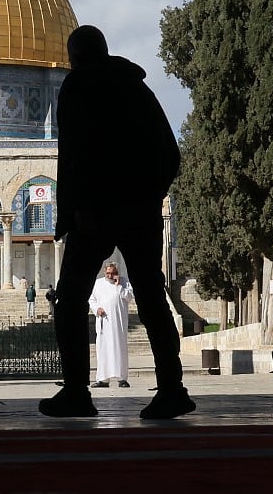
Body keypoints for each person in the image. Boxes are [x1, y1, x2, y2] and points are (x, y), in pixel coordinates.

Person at [39, 25, 193, 420]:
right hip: (138, 210)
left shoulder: (77, 87)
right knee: (152, 297)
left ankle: (76, 391)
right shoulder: (137, 88)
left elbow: (70, 157)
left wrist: (70, 214)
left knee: (70, 299)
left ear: (74, 58)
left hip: (95, 210)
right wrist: (149, 195)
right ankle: (172, 389)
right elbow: (170, 152)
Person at [87, 262, 134, 388]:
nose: (110, 275)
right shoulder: (98, 283)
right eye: (108, 273)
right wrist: (97, 309)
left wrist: (119, 286)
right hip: (104, 322)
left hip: (118, 323)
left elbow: (129, 297)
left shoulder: (124, 282)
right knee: (103, 349)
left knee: (120, 348)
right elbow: (91, 299)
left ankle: (122, 378)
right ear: (104, 272)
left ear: (117, 272)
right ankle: (103, 379)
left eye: (113, 273)